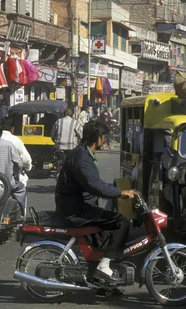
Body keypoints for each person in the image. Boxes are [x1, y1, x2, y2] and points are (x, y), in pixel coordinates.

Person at [54, 120, 135, 283]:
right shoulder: (81, 157)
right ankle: (104, 267)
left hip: (80, 206)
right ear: (98, 138)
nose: (104, 141)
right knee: (122, 222)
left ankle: (101, 280)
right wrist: (120, 193)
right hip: (76, 210)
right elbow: (94, 185)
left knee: (105, 237)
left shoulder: (83, 154)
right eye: (104, 137)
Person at [0, 123, 26, 215]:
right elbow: (19, 164)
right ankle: (22, 213)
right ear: (1, 133)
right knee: (21, 189)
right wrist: (15, 175)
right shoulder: (9, 145)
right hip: (8, 183)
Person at [0, 117, 33, 186]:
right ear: (12, 129)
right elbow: (26, 160)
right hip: (12, 177)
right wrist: (28, 167)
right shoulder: (16, 140)